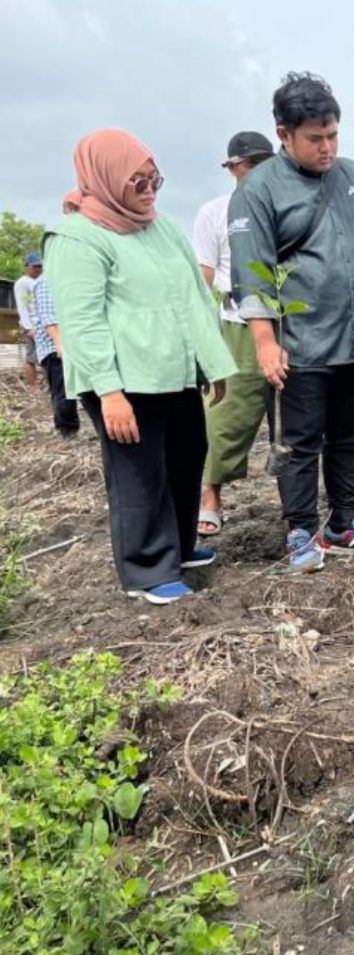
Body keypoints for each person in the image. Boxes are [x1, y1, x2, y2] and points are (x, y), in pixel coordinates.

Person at [229, 72, 354, 574]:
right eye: (315, 139)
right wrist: (266, 342)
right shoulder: (258, 192)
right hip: (300, 345)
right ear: (283, 135)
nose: (328, 147)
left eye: (333, 135)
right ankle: (298, 531)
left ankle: (344, 522)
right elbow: (252, 275)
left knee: (350, 435)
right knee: (298, 441)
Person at [44, 129, 236, 605]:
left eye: (155, 180)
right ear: (106, 178)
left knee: (187, 455)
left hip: (174, 371)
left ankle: (179, 546)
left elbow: (193, 295)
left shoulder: (159, 226)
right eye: (138, 182)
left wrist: (213, 363)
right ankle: (147, 570)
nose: (149, 190)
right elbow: (82, 321)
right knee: (139, 473)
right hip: (125, 381)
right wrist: (108, 392)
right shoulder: (77, 238)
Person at [192, 131, 276, 536]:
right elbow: (204, 279)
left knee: (299, 416)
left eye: (266, 162)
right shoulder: (215, 213)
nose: (259, 171)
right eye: (249, 164)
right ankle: (211, 494)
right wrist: (204, 343)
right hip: (238, 324)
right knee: (227, 415)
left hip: (289, 321)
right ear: (233, 169)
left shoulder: (288, 206)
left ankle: (298, 504)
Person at [28, 274, 79, 436]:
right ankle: (67, 430)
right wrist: (59, 342)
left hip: (67, 344)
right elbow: (48, 317)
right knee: (63, 390)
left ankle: (70, 427)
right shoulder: (45, 282)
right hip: (54, 347)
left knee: (70, 388)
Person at [14, 254, 42, 392]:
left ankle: (51, 386)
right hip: (32, 325)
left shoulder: (42, 281)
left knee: (48, 357)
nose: (38, 269)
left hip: (44, 324)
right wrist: (28, 327)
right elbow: (22, 306)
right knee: (31, 357)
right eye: (34, 266)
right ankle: (33, 386)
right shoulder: (22, 283)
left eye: (39, 266)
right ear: (27, 267)